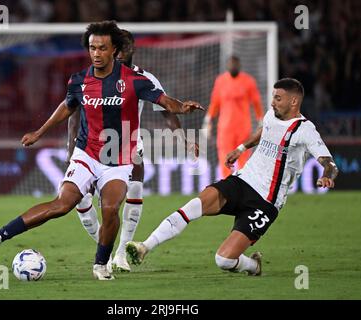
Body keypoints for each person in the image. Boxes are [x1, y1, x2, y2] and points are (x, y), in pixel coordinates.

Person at [0, 21, 204, 281]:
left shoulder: (135, 80)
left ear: (113, 50)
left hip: (119, 157)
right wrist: (40, 132)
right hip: (87, 153)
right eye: (92, 48)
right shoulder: (79, 80)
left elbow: (163, 101)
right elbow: (67, 107)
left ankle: (100, 264)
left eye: (102, 48)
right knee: (62, 205)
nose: (96, 53)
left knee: (109, 208)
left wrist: (181, 107)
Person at [126, 78, 338, 276]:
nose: (272, 102)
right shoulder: (272, 115)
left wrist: (327, 175)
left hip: (265, 201)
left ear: (294, 101)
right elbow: (263, 131)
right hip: (243, 181)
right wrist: (241, 148)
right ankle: (145, 246)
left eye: (278, 98)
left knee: (223, 260)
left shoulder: (305, 130)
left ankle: (253, 265)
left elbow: (328, 162)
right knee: (194, 205)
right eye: (273, 97)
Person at [67, 29, 198, 272]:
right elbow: (73, 113)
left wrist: (184, 139)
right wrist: (69, 147)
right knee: (82, 199)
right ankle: (103, 246)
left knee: (135, 188)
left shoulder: (142, 77)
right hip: (92, 145)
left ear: (130, 50)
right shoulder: (92, 77)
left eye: (124, 49)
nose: (119, 53)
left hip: (129, 144)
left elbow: (166, 110)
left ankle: (121, 253)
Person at [203, 56, 264, 179]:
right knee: (225, 160)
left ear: (239, 66)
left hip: (243, 128)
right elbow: (215, 103)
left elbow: (256, 102)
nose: (233, 67)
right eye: (231, 64)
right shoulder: (221, 81)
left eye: (235, 64)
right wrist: (207, 121)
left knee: (243, 160)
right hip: (225, 129)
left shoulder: (248, 81)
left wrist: (260, 120)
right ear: (227, 66)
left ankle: (242, 187)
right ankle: (227, 190)